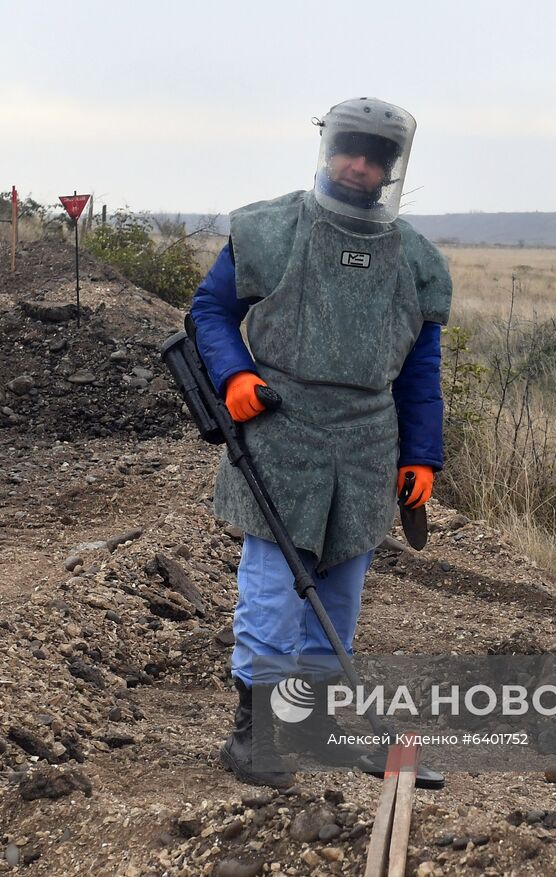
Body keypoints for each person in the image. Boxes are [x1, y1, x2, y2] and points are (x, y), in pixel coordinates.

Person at [189, 97, 452, 788]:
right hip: (280, 434)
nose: (360, 166)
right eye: (351, 150)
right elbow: (211, 310)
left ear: (391, 169)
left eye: (376, 157)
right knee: (274, 591)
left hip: (366, 447)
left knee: (338, 598)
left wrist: (422, 454)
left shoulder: (416, 262)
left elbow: (421, 373)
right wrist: (234, 373)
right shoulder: (271, 229)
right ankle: (257, 732)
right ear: (329, 148)